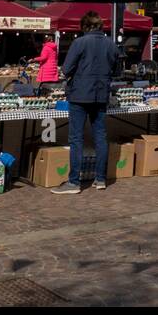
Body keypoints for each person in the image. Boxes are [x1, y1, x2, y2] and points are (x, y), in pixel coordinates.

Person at [52, 11, 119, 195]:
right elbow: (117, 69)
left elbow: (66, 69)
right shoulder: (111, 44)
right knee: (100, 136)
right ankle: (100, 179)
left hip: (80, 95)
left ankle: (74, 182)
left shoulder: (80, 42)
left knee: (76, 138)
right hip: (100, 95)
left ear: (85, 26)